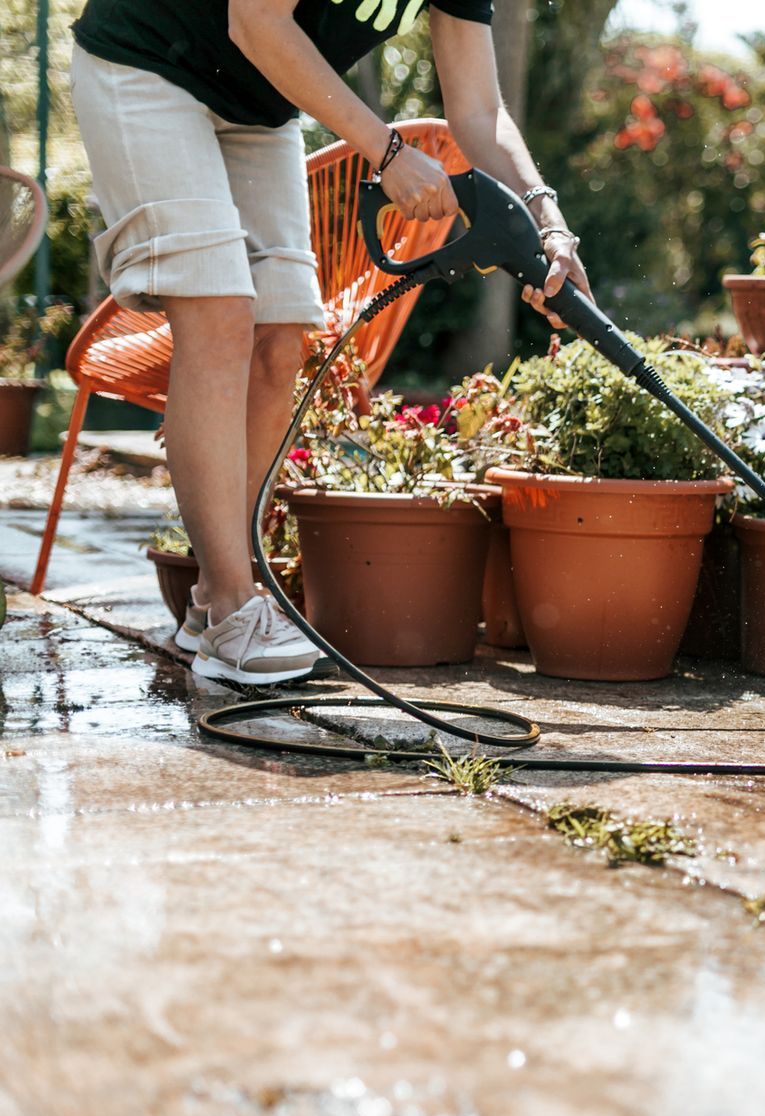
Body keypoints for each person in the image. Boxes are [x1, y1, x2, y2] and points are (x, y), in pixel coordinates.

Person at [68, 0, 589, 683]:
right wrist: (389, 152)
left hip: (259, 106)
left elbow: (479, 110)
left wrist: (546, 220)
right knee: (219, 313)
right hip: (146, 62)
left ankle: (210, 599)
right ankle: (232, 605)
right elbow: (256, 21)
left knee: (281, 338)